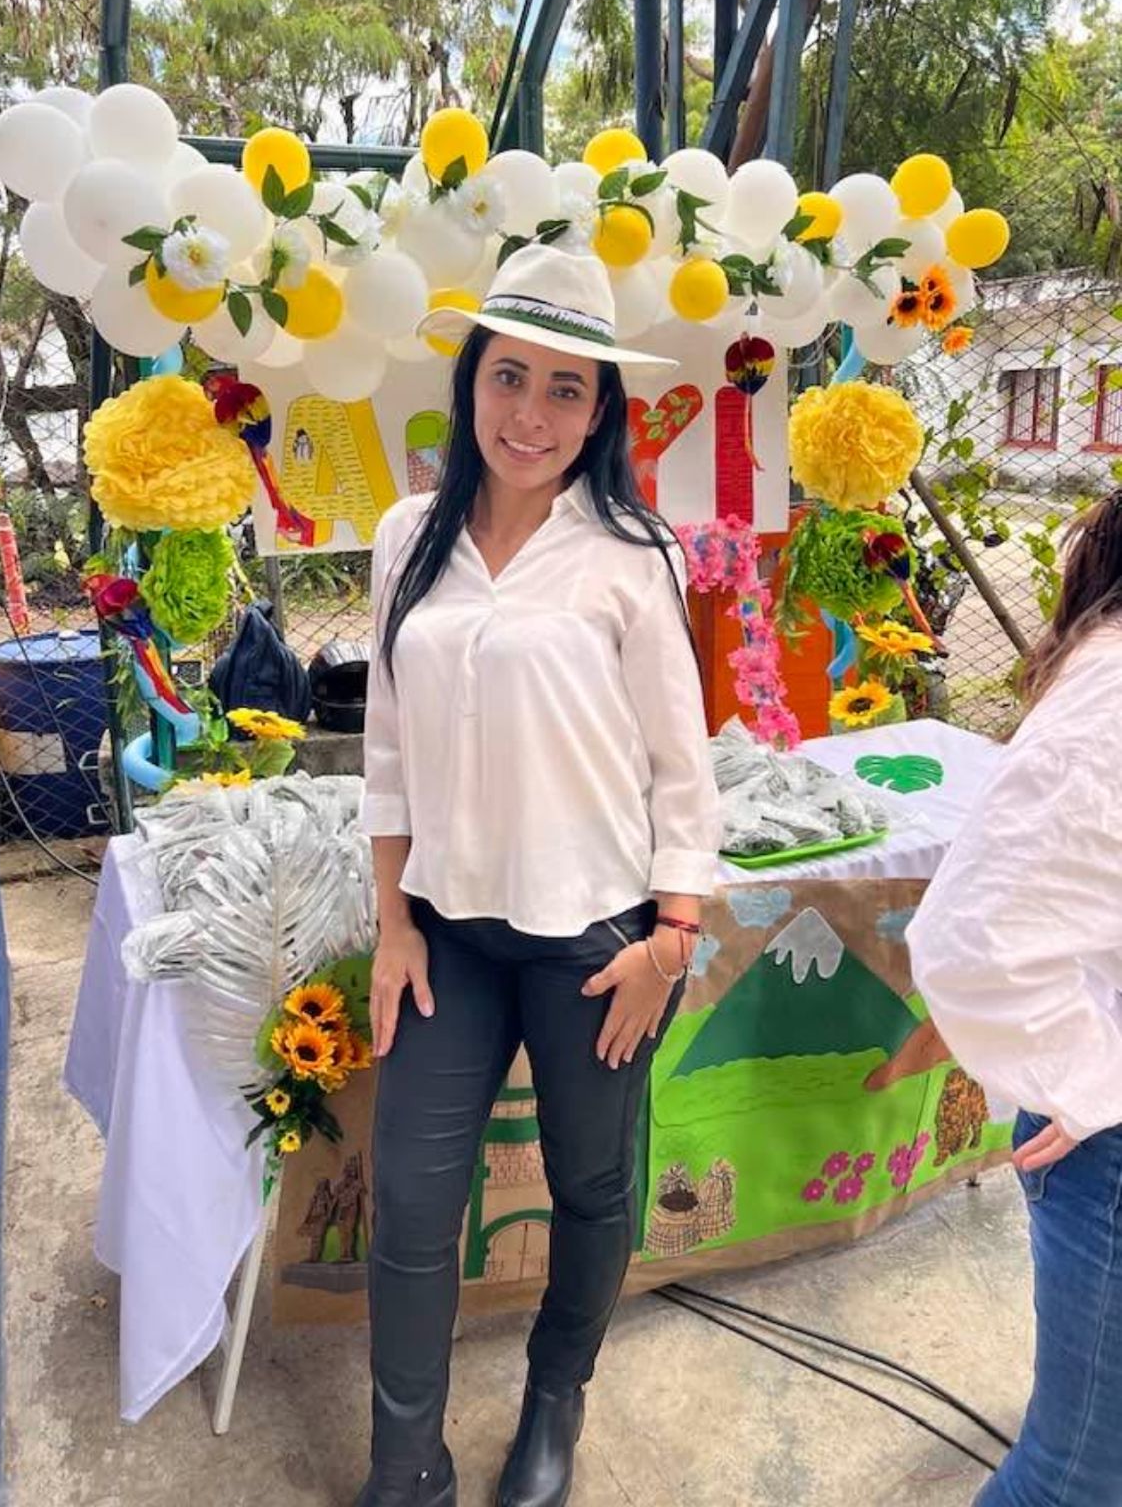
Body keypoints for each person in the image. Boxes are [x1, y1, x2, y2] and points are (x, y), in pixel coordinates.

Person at [355, 245, 721, 1507]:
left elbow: (681, 763)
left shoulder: (631, 551)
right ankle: (405, 1464)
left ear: (601, 409)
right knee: (411, 1205)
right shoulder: (407, 538)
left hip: (598, 941)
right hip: (447, 933)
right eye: (509, 376)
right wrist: (391, 920)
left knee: (589, 1184)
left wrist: (672, 936)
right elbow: (387, 750)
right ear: (469, 381)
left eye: (568, 388)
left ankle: (555, 1399)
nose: (531, 413)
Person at [908, 491, 1122, 1506]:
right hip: (1108, 1138)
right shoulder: (1112, 694)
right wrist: (1090, 1079)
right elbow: (975, 934)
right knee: (1078, 1477)